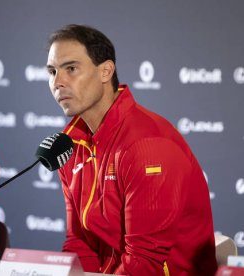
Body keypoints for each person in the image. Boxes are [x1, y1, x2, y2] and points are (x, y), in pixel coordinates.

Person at [46, 24, 217, 275]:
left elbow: (145, 261)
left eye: (71, 68)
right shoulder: (69, 144)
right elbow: (79, 242)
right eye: (52, 71)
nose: (58, 82)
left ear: (106, 71)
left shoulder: (147, 144)